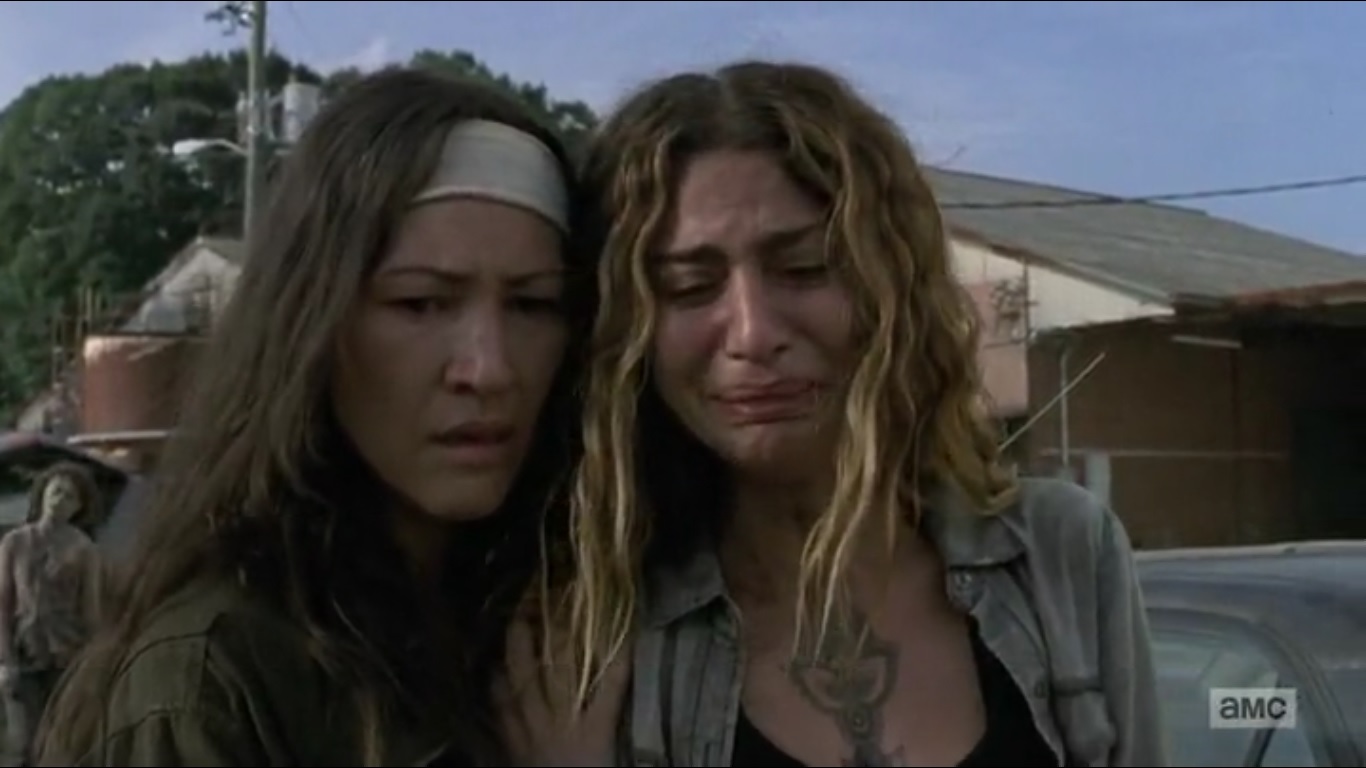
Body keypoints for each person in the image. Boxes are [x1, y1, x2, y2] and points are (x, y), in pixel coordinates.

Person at [554, 60, 1167, 767]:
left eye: (805, 269)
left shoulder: (1060, 556)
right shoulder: (596, 632)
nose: (753, 333)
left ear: (890, 288)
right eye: (690, 287)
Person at [33, 66, 592, 767]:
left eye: (534, 304)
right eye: (421, 303)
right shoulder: (218, 677)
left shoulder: (554, 624)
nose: (489, 369)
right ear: (313, 328)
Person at [0, 463, 104, 766]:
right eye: (56, 491)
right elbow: (3, 603)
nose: (60, 500)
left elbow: (91, 610)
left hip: (66, 658)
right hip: (24, 656)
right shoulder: (15, 542)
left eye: (70, 497)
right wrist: (6, 661)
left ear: (79, 507)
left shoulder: (84, 550)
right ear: (43, 493)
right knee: (22, 744)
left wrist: (94, 663)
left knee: (62, 743)